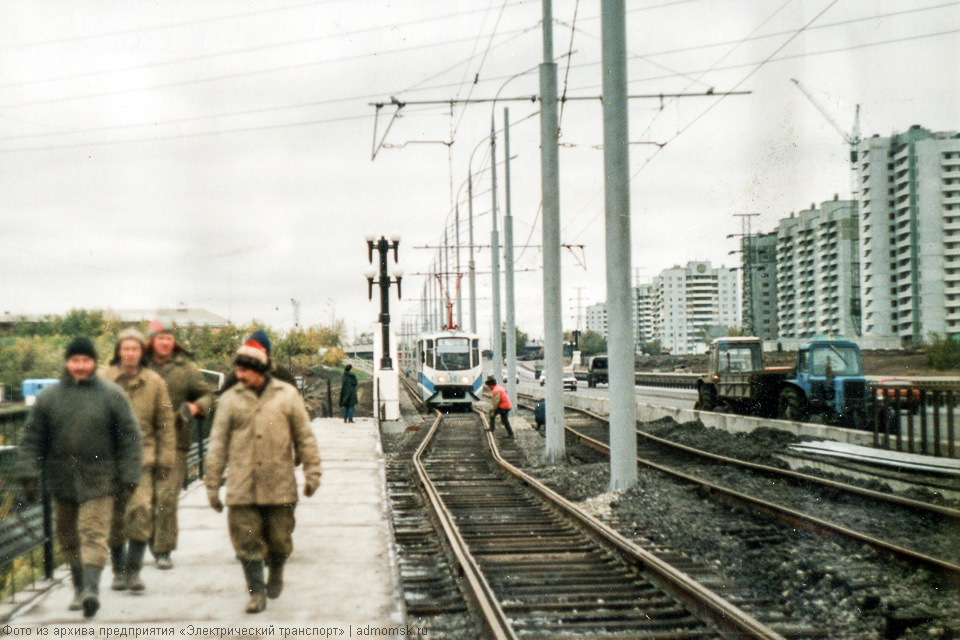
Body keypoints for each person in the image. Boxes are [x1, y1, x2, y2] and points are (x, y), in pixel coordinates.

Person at [16, 337, 142, 619]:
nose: (80, 366)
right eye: (75, 361)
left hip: (101, 480)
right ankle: (78, 587)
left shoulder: (112, 395)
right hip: (62, 481)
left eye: (86, 361)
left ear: (94, 363)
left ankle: (91, 590)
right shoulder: (49, 398)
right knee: (69, 537)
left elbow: (130, 438)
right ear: (67, 362)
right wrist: (27, 471)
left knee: (93, 534)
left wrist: (130, 475)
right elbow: (32, 438)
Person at [205, 331, 322, 614]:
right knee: (246, 542)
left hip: (278, 481)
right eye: (238, 369)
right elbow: (217, 443)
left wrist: (312, 472)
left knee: (280, 542)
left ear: (259, 370)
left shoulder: (288, 395)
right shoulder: (230, 400)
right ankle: (255, 592)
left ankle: (277, 569)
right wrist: (211, 484)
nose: (239, 375)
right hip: (242, 484)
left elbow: (304, 436)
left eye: (244, 370)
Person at [101, 328, 176, 592]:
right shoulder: (104, 379)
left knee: (141, 512)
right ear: (118, 352)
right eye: (125, 349)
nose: (130, 354)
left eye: (135, 349)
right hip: (110, 460)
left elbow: (166, 423)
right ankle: (118, 570)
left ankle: (134, 571)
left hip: (143, 459)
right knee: (113, 517)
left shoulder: (155, 382)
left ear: (141, 352)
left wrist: (166, 459)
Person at [144, 318, 214, 570]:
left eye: (169, 338)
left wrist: (196, 406)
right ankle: (152, 539)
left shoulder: (185, 369)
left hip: (176, 441)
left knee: (167, 496)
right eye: (160, 337)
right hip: (143, 443)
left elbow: (207, 395)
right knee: (144, 498)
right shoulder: (139, 366)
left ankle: (163, 550)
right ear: (151, 340)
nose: (165, 343)